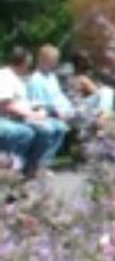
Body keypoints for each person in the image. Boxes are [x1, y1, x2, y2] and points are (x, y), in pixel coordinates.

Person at [0, 47, 67, 179]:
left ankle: (33, 166)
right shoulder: (4, 76)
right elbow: (6, 104)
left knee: (56, 126)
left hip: (21, 116)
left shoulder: (19, 78)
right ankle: (21, 168)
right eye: (29, 62)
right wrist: (31, 115)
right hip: (9, 117)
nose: (30, 66)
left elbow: (24, 101)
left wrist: (41, 109)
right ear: (24, 62)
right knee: (39, 131)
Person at [26, 45, 75, 120]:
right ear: (41, 60)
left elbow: (59, 96)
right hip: (58, 115)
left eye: (54, 61)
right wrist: (58, 113)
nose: (54, 64)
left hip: (70, 110)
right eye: (51, 61)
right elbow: (40, 106)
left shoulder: (51, 76)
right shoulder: (36, 80)